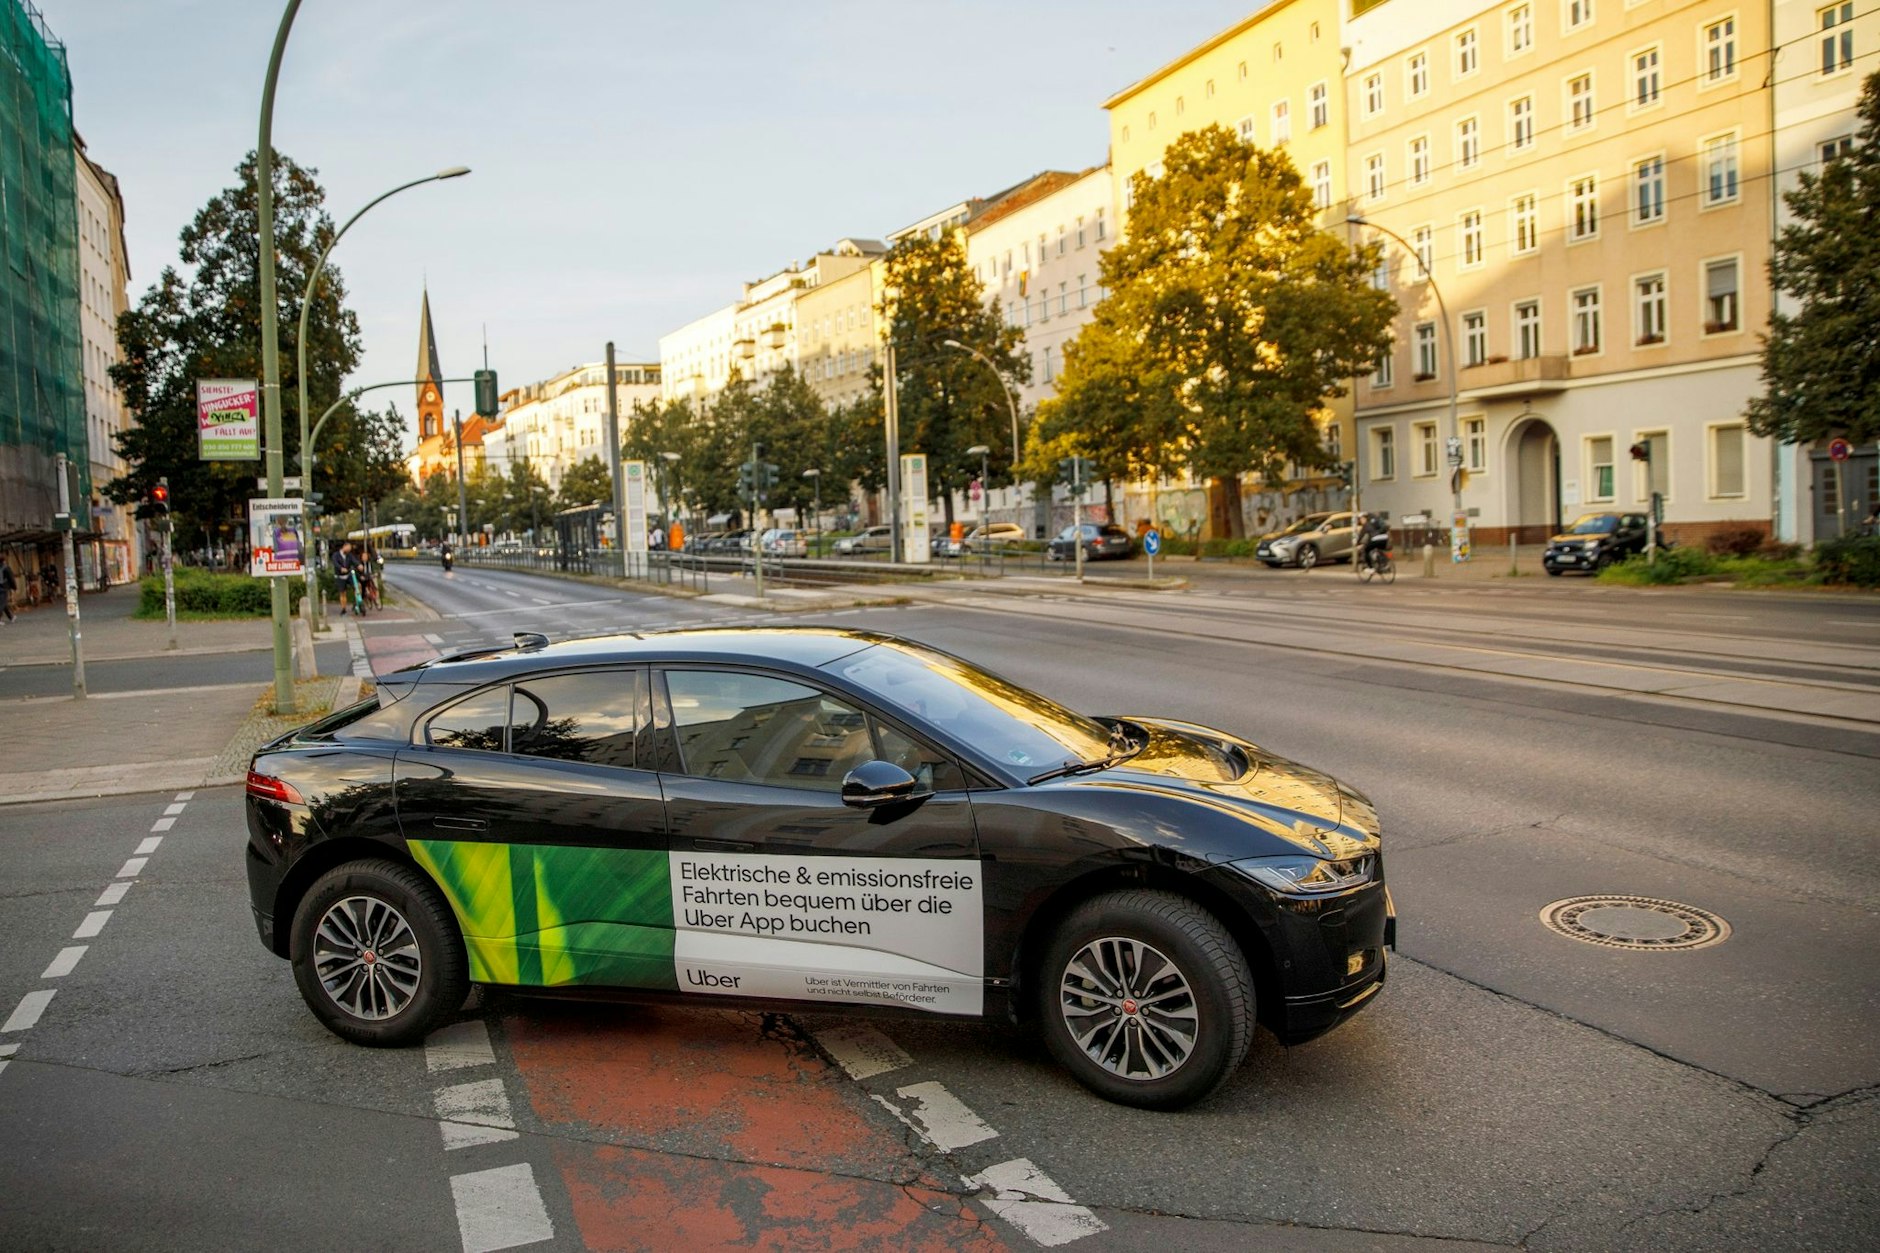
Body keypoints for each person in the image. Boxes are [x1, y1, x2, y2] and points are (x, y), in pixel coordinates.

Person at [332, 541, 358, 615]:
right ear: (344, 547)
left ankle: (356, 603)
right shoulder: (336, 555)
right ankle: (343, 608)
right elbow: (335, 563)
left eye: (350, 549)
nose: (349, 550)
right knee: (343, 593)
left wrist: (359, 565)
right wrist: (341, 568)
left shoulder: (349, 555)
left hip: (348, 574)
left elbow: (354, 560)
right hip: (340, 576)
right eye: (348, 549)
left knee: (357, 586)